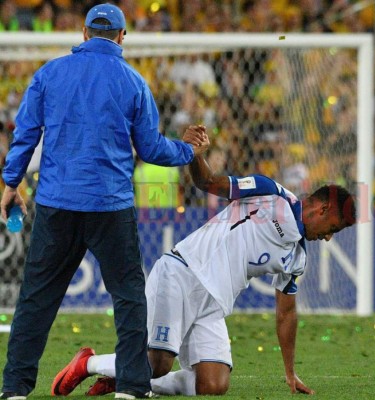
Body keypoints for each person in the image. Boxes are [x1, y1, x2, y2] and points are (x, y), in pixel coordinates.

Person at [51, 127, 356, 397]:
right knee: (157, 364)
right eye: (332, 229)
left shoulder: (297, 256)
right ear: (323, 209)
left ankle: (128, 379)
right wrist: (193, 154)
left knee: (213, 384)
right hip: (183, 274)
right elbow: (208, 182)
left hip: (214, 303)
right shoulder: (270, 195)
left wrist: (290, 372)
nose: (328, 238)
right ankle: (88, 363)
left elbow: (286, 314)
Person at [0, 4, 208, 400]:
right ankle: (131, 388)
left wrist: (12, 183)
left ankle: (14, 388)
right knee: (129, 297)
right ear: (121, 36)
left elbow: (25, 134)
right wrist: (186, 150)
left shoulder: (49, 74)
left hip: (57, 203)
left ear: (83, 33)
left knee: (37, 298)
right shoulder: (133, 83)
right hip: (110, 206)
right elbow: (150, 148)